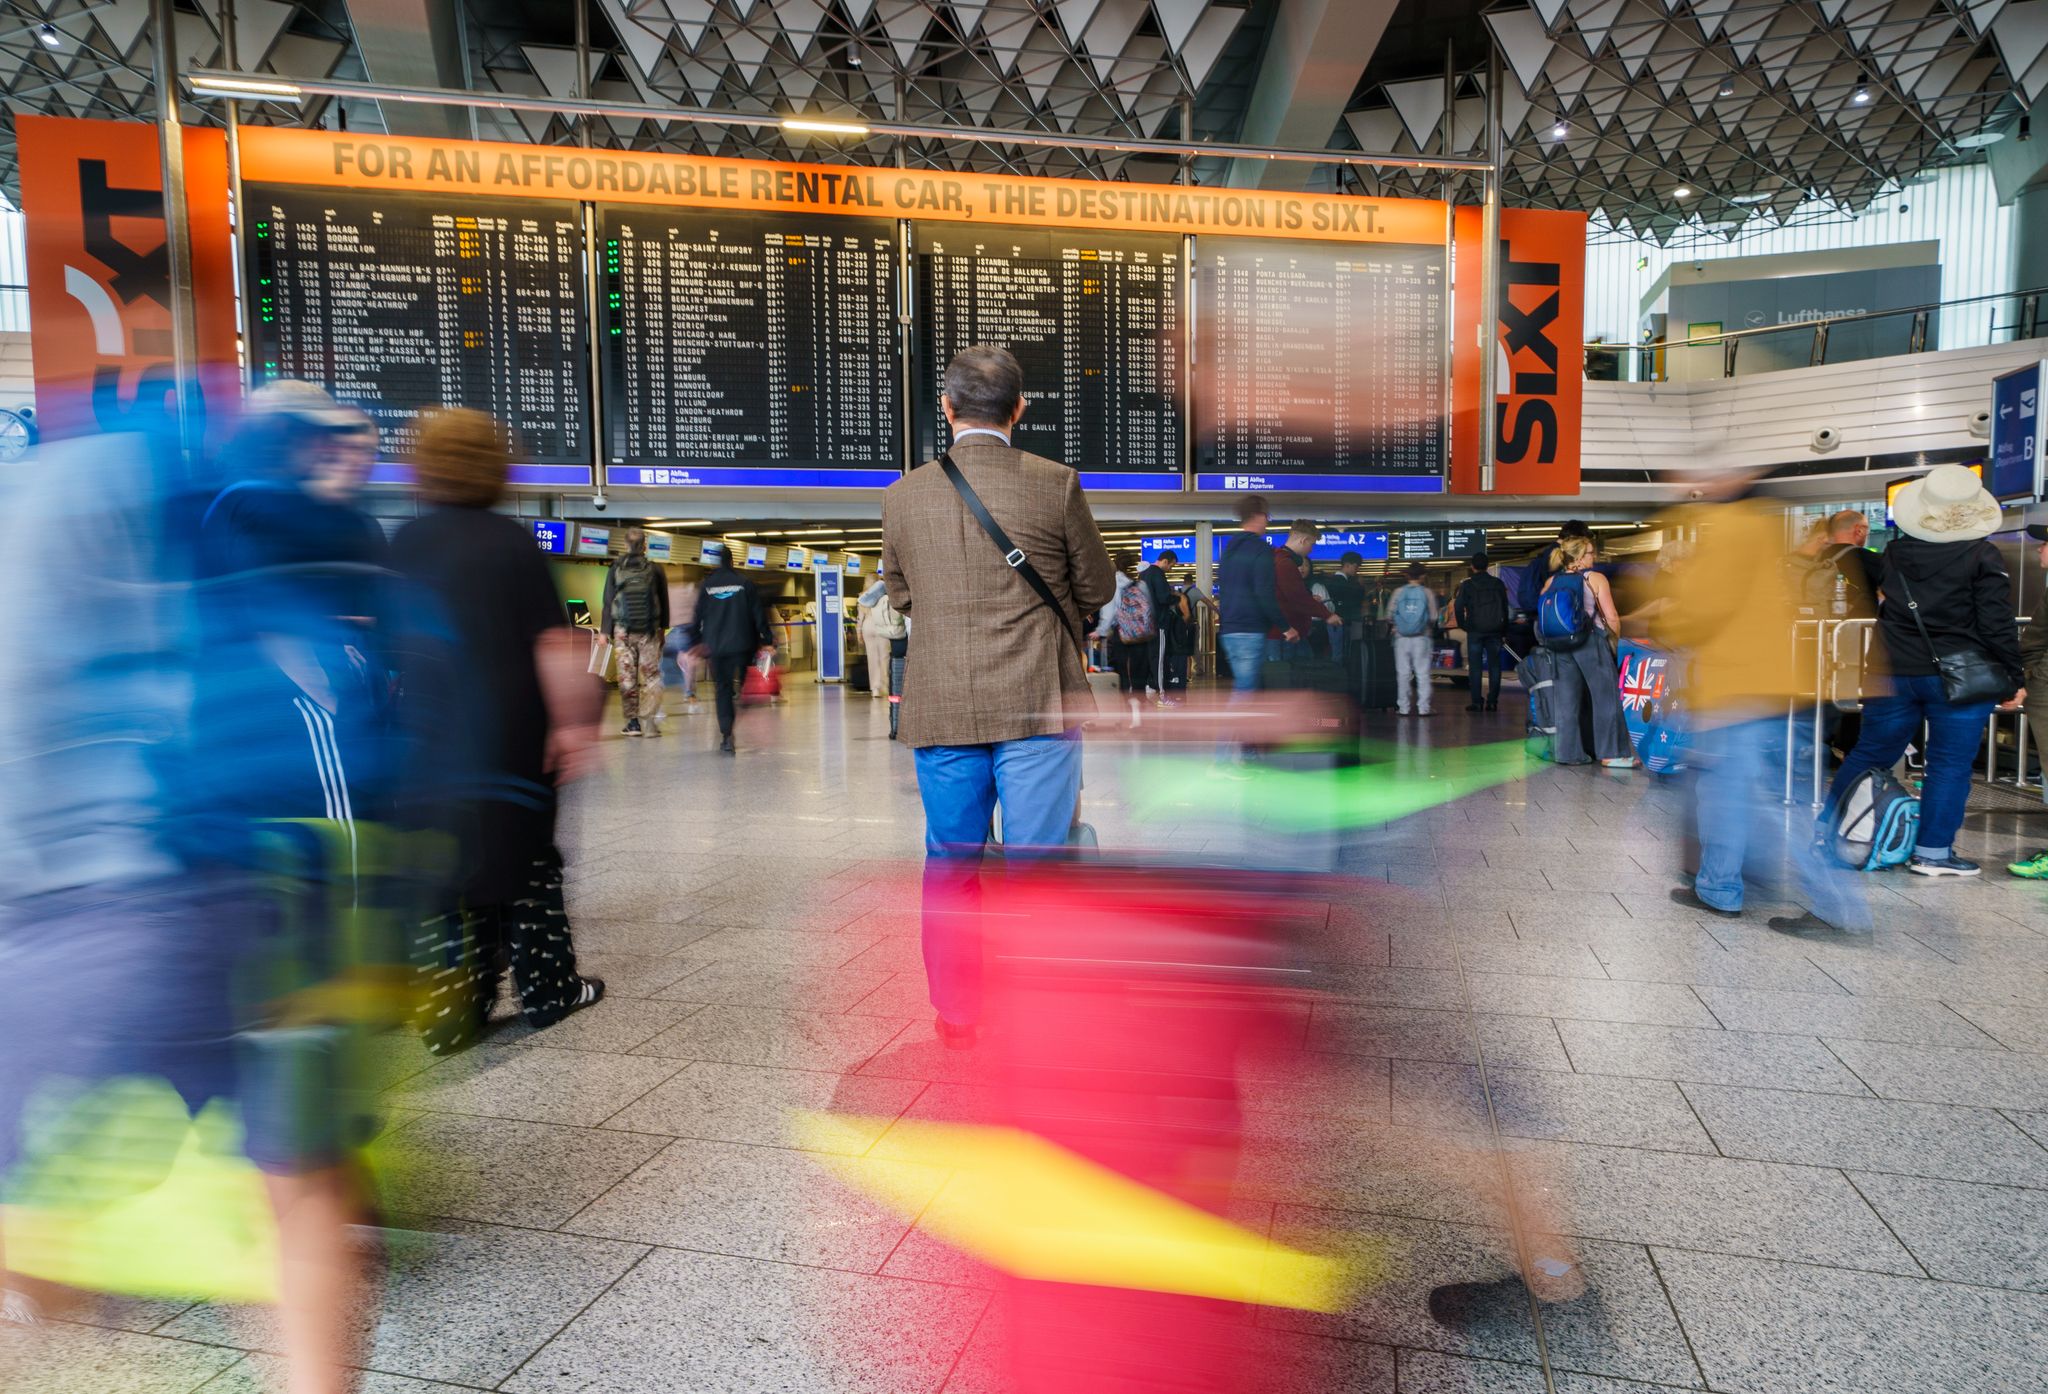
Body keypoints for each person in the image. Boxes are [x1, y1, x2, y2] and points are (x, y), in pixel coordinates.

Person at [881, 344, 1115, 1047]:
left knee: (951, 863)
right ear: (1019, 408)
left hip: (944, 705)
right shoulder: (1055, 482)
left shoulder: (902, 494)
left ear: (947, 410)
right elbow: (1098, 588)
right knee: (1038, 864)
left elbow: (900, 594)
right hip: (1038, 701)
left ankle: (958, 1013)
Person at [391, 408, 607, 1052]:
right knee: (528, 867)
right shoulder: (510, 543)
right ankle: (547, 992)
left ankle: (449, 1014)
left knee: (443, 875)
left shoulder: (404, 542)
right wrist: (574, 727)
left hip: (427, 747)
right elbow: (556, 645)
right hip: (509, 740)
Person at [1655, 490, 1869, 932]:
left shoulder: (1732, 534)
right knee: (1739, 795)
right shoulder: (1764, 530)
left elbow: (1700, 611)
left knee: (1752, 799)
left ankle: (1834, 906)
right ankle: (1718, 887)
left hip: (1734, 686)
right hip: (1770, 685)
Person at [1825, 465, 2023, 878]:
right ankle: (1933, 853)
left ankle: (1832, 832)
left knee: (1870, 752)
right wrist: (2013, 677)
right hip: (1956, 675)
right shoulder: (1983, 555)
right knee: (1948, 764)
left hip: (1890, 669)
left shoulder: (1897, 551)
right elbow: (1996, 624)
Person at [1542, 537, 1636, 766]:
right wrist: (1615, 640)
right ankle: (1612, 754)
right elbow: (1611, 615)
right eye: (1591, 553)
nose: (1594, 557)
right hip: (1590, 641)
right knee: (1606, 698)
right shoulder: (1595, 578)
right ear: (1580, 556)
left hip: (1560, 645)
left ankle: (1567, 753)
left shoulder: (1552, 581)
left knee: (1566, 700)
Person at [696, 542, 775, 755]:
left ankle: (726, 735)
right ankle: (742, 698)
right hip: (742, 644)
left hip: (716, 646)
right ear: (731, 561)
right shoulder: (744, 583)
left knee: (722, 689)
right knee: (743, 683)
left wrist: (695, 642)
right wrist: (767, 639)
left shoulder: (707, 585)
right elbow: (758, 614)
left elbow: (698, 616)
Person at [602, 526, 670, 737]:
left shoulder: (615, 568)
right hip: (649, 630)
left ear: (625, 545)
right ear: (645, 546)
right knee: (652, 677)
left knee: (627, 676)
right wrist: (662, 629)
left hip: (623, 630)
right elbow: (664, 602)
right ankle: (649, 720)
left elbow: (607, 601)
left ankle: (632, 723)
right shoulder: (655, 569)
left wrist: (605, 632)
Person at [1218, 494, 1287, 700]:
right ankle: (1224, 734)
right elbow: (1264, 592)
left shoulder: (1229, 550)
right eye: (1267, 515)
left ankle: (1241, 733)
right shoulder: (1261, 549)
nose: (1267, 521)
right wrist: (1285, 626)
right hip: (1249, 629)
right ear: (1257, 516)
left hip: (1229, 629)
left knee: (1245, 688)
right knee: (1245, 691)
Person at [1451, 554, 1511, 713]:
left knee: (1475, 667)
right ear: (1487, 565)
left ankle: (1476, 702)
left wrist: (1464, 625)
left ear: (1472, 567)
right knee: (1495, 666)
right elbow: (1505, 608)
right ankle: (1492, 702)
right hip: (1495, 630)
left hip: (1475, 630)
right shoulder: (1498, 583)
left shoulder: (1467, 585)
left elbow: (1458, 607)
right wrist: (1504, 630)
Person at [1273, 521, 1337, 663]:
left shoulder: (1277, 559)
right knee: (1288, 678)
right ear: (1303, 540)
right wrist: (1326, 614)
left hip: (1285, 633)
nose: (1311, 550)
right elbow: (1296, 598)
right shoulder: (1285, 563)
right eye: (1312, 544)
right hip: (1286, 634)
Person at [1389, 562, 1439, 716]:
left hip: (1401, 638)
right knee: (1422, 673)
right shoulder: (1427, 593)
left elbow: (1389, 615)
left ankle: (1403, 708)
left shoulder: (1398, 592)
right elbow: (1433, 616)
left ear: (1407, 575)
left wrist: (1400, 624)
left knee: (1403, 673)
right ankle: (1423, 708)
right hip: (1421, 637)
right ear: (1423, 576)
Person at [1137, 549, 1179, 699]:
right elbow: (1163, 598)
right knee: (1159, 659)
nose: (1170, 569)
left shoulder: (1143, 574)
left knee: (1149, 657)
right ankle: (1162, 695)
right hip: (1158, 623)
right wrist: (1177, 598)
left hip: (1145, 624)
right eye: (1171, 566)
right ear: (1165, 561)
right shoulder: (1158, 574)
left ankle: (1150, 686)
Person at [1321, 552, 1367, 664]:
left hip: (1338, 621)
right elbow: (1352, 600)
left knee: (1339, 650)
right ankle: (1339, 675)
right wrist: (1360, 587)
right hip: (1338, 621)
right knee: (1339, 651)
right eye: (1356, 566)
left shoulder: (1339, 580)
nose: (1357, 570)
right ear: (1347, 564)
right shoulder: (1340, 581)